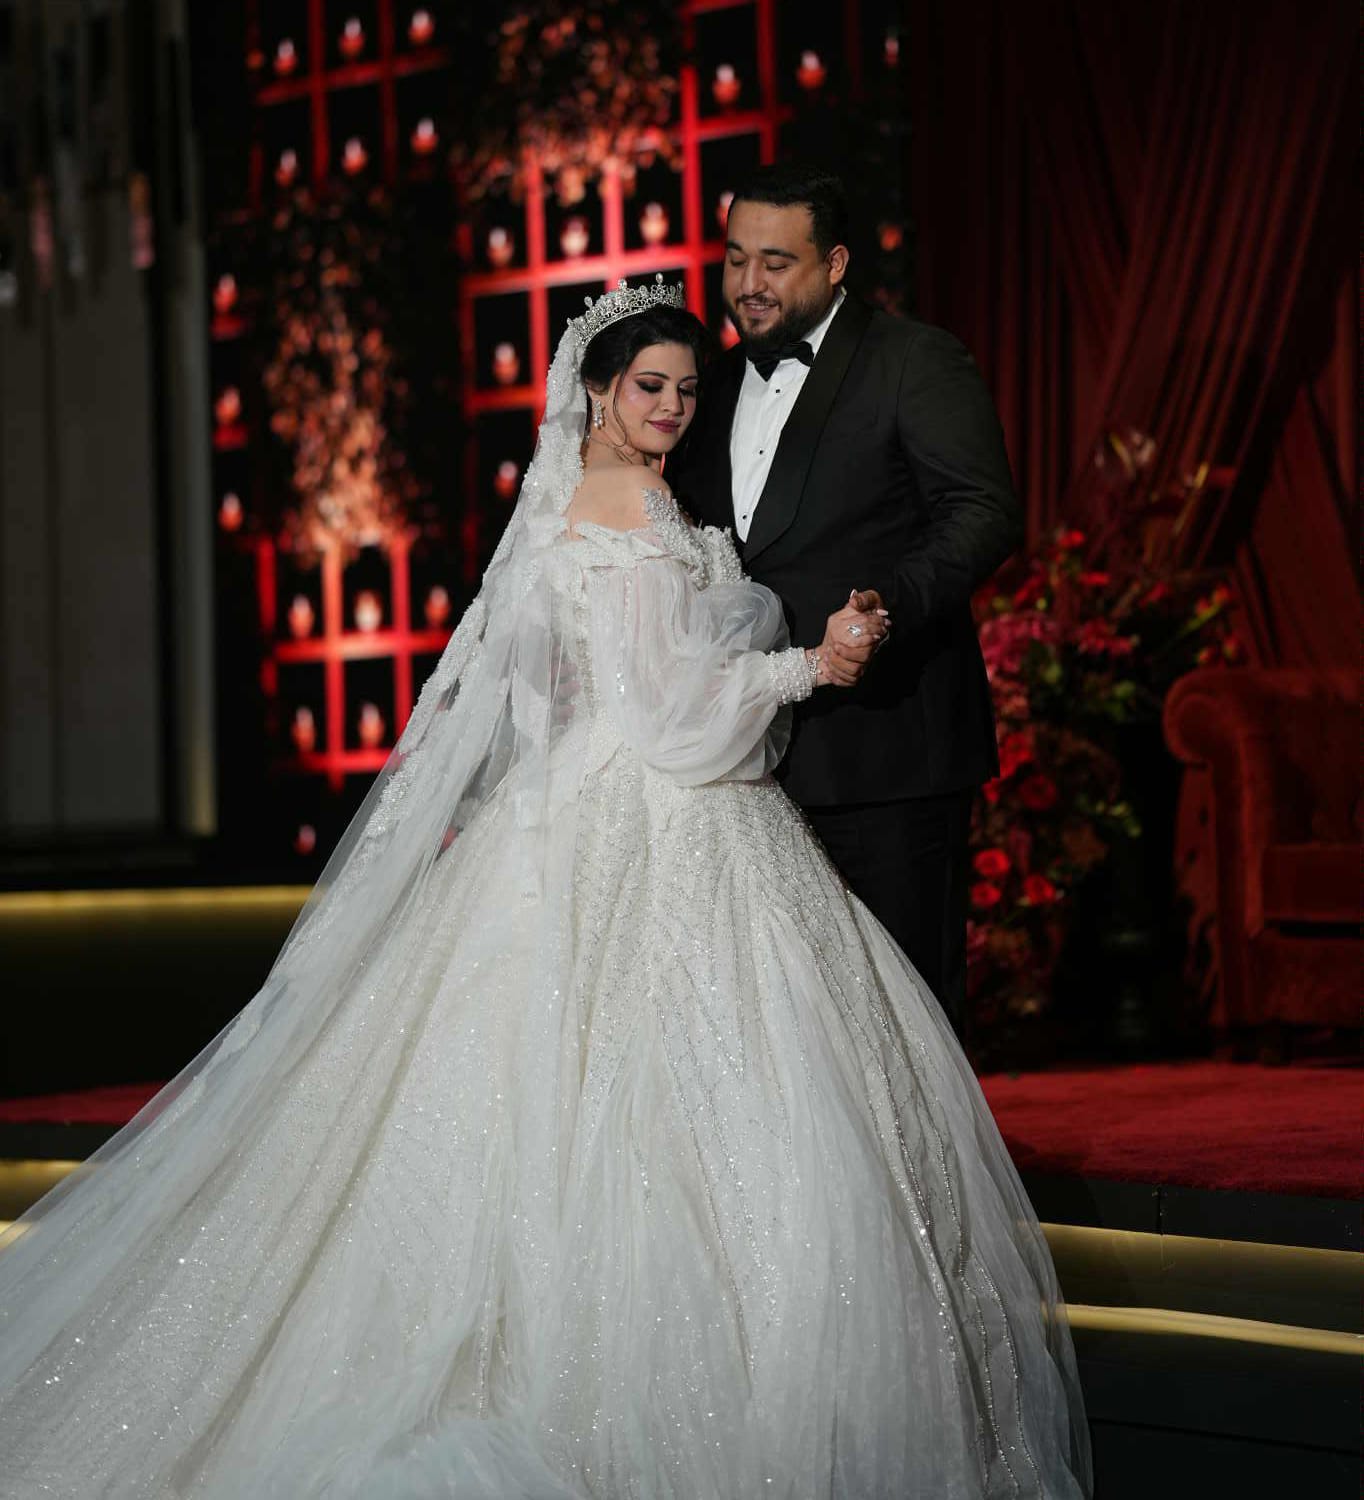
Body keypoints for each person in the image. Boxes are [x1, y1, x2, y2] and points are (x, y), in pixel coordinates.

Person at [0, 278, 1091, 1499]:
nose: (671, 407)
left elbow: (597, 690)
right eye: (649, 387)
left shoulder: (594, 498)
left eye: (686, 389)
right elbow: (669, 718)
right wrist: (809, 666)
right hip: (662, 807)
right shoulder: (632, 503)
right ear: (596, 392)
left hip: (592, 800)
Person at [669, 163, 1024, 1045]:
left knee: (908, 1031)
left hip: (887, 755)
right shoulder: (705, 388)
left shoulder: (912, 359)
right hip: (747, 767)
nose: (749, 284)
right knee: (785, 1043)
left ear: (834, 265)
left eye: (776, 263)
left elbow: (983, 511)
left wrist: (886, 604)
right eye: (735, 259)